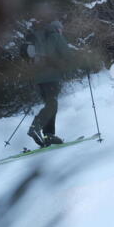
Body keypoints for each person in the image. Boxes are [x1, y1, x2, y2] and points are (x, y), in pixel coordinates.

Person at [26, 20, 72, 148]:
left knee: (50, 104)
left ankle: (48, 135)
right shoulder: (56, 36)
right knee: (52, 104)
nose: (62, 31)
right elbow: (67, 54)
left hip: (38, 79)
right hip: (51, 77)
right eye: (61, 29)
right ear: (57, 28)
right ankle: (36, 127)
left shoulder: (38, 39)